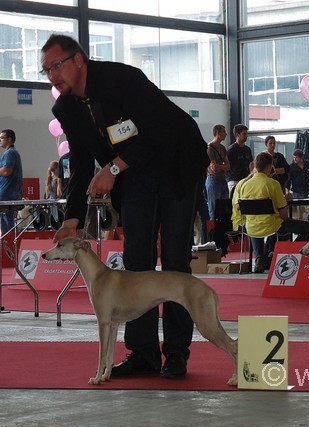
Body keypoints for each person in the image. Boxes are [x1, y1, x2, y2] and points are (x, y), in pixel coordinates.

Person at [41, 34, 209, 379]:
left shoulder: (123, 79)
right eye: (45, 71)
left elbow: (157, 130)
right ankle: (143, 353)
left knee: (176, 260)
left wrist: (114, 168)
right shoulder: (66, 108)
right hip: (134, 176)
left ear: (78, 60)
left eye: (56, 66)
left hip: (176, 163)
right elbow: (82, 165)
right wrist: (72, 218)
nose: (52, 76)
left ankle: (176, 353)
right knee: (135, 261)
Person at [232, 152, 309, 273]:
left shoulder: (242, 184)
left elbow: (237, 207)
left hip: (250, 227)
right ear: (268, 167)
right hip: (272, 226)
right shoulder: (273, 184)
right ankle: (285, 253)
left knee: (256, 226)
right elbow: (284, 215)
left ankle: (260, 259)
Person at [0, 129, 24, 234]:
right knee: (7, 220)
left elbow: (6, 171)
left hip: (7, 194)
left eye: (2, 138)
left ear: (9, 139)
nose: (0, 140)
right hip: (10, 193)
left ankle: (7, 244)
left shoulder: (10, 153)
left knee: (6, 222)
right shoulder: (13, 153)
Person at [206, 124, 230, 221]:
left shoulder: (223, 148)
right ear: (218, 133)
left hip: (223, 180)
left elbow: (229, 166)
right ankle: (213, 233)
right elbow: (214, 169)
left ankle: (222, 231)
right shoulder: (210, 148)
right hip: (213, 180)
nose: (226, 134)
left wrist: (221, 167)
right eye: (224, 132)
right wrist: (223, 167)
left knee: (225, 208)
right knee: (214, 209)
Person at [288, 149, 309, 220]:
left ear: (301, 158)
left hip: (308, 190)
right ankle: (301, 225)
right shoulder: (291, 167)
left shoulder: (308, 164)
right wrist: (287, 191)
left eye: (296, 157)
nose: (294, 159)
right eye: (293, 157)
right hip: (297, 191)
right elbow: (288, 180)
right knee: (299, 212)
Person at [226, 124, 253, 193]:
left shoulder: (247, 149)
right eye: (244, 133)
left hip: (246, 180)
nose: (246, 136)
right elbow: (227, 166)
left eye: (246, 133)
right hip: (234, 180)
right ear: (237, 134)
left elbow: (251, 164)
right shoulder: (231, 150)